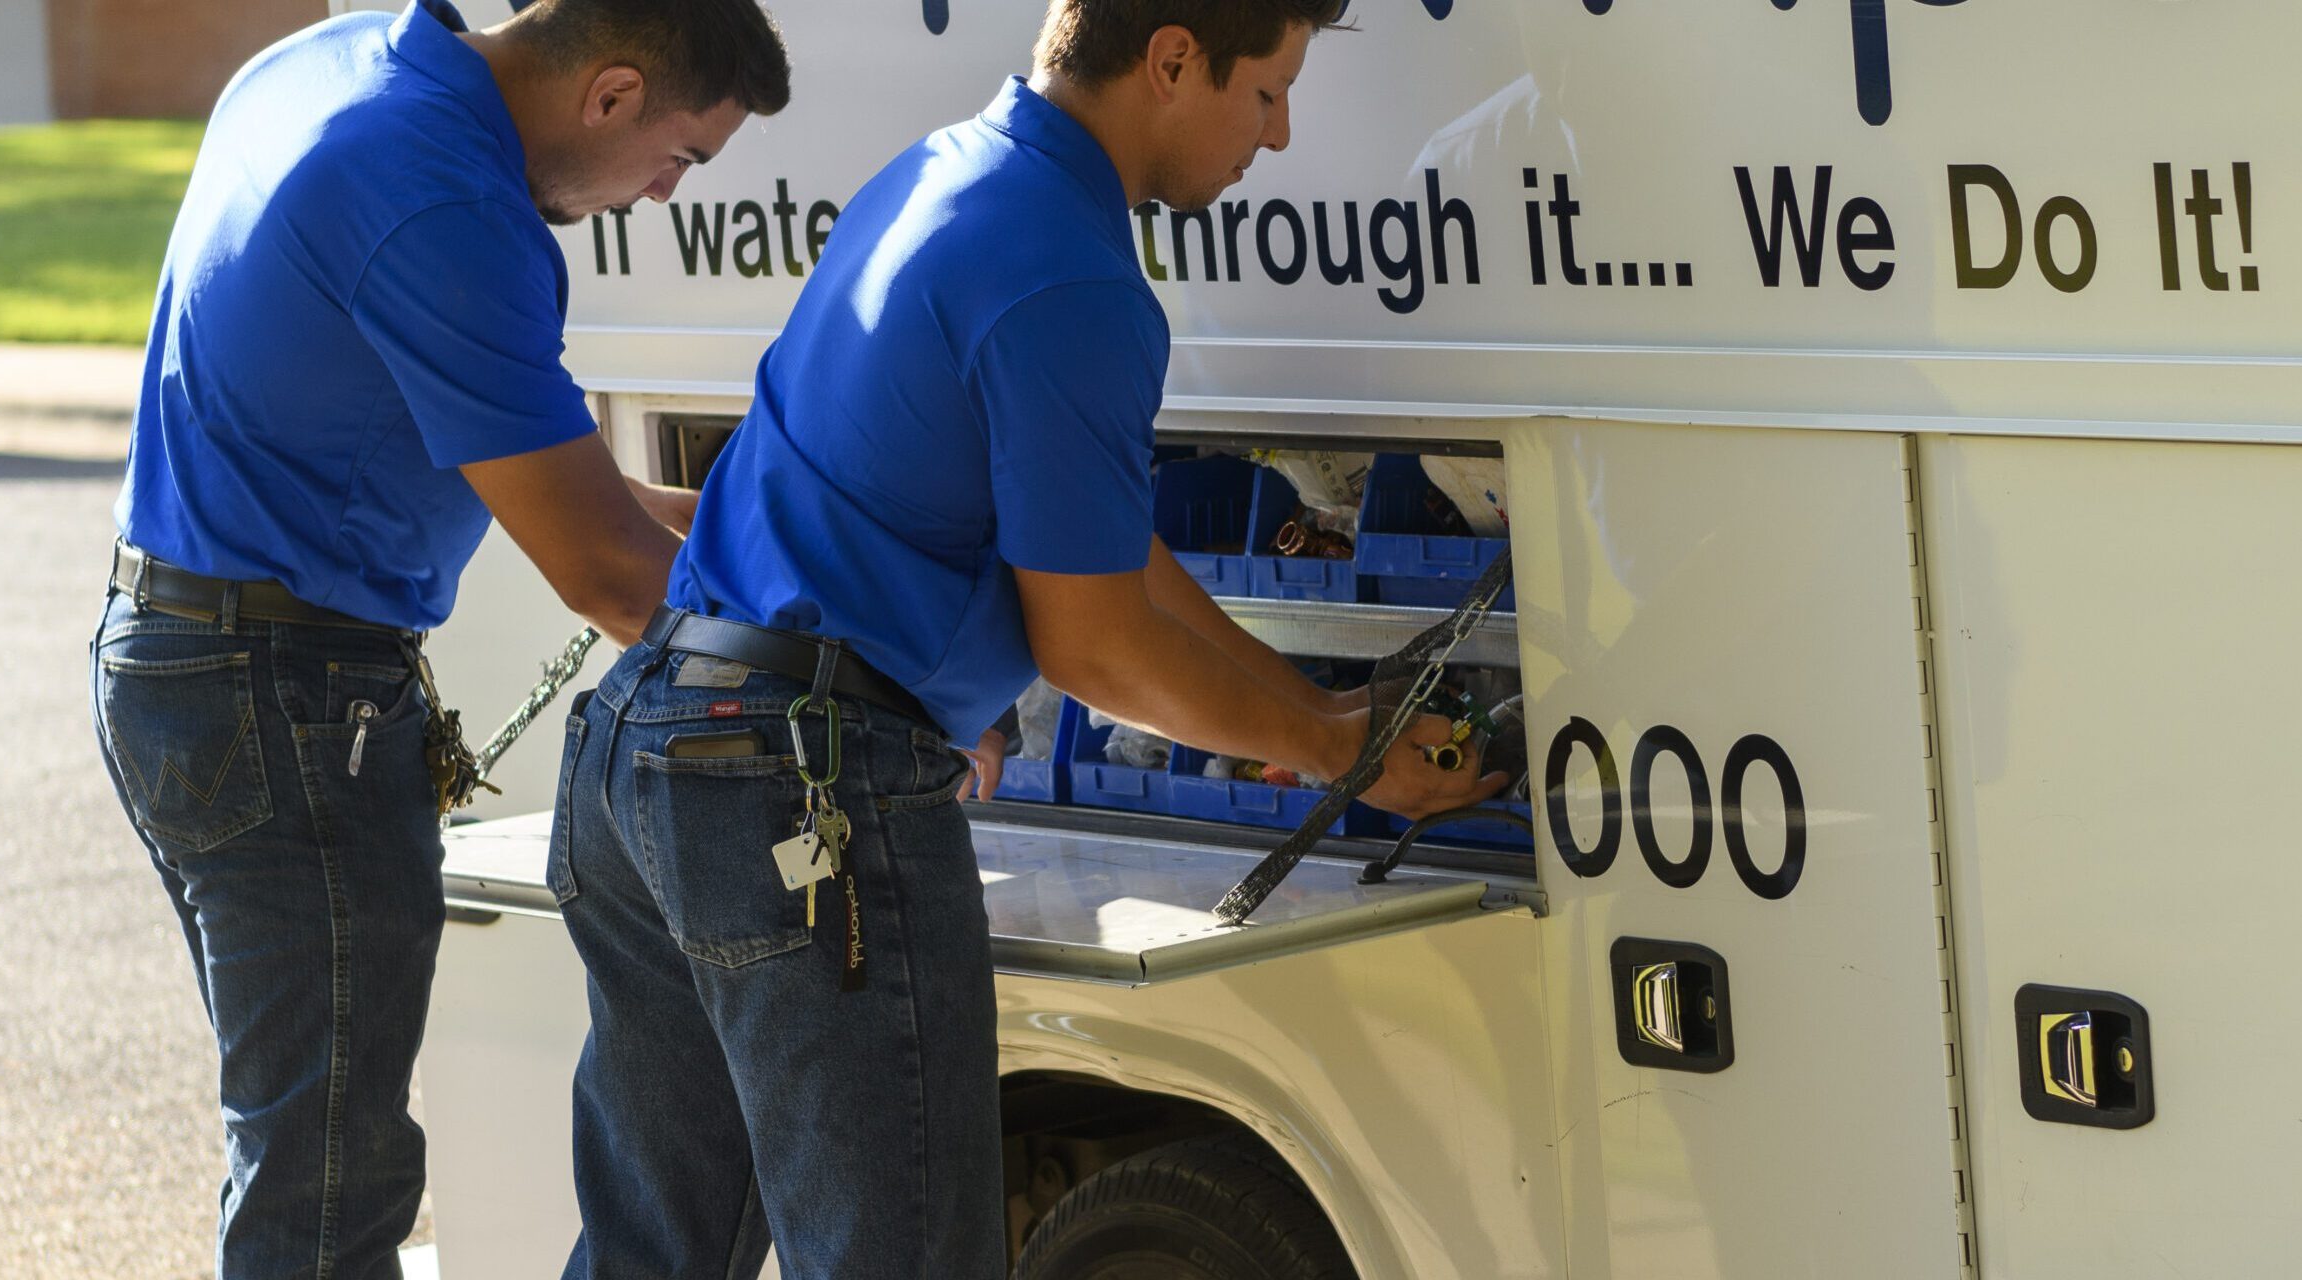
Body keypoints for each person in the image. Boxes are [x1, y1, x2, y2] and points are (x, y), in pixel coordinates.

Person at [548, 2, 1501, 1275]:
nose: (1276, 140)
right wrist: (1341, 756)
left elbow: (1105, 545)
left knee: (649, 1256)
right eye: (1266, 93)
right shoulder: (1073, 275)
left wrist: (1324, 714)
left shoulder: (940, 175)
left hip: (650, 742)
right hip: (803, 785)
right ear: (1171, 59)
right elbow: (1096, 644)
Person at [86, 1, 788, 1275]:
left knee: (303, 1143)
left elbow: (579, 487)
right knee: (328, 1181)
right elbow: (608, 573)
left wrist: (777, 554)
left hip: (194, 658)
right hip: (284, 698)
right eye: (681, 160)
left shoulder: (344, 61)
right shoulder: (447, 205)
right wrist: (874, 669)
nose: (656, 195)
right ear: (615, 94)